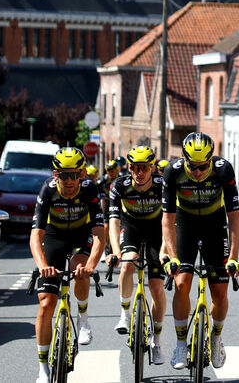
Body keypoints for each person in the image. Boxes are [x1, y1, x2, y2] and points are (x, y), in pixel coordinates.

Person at [160, 132, 239, 370]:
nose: (197, 172)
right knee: (182, 283)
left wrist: (234, 258)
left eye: (203, 166)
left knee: (220, 292)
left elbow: (234, 218)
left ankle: (216, 338)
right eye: (192, 166)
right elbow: (167, 219)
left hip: (215, 225)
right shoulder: (173, 171)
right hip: (185, 224)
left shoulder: (223, 170)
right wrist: (172, 255)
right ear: (184, 159)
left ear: (211, 159)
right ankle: (181, 343)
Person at [30, 147, 106, 383]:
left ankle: (83, 320)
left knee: (80, 271)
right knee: (46, 303)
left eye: (75, 174)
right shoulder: (47, 192)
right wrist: (43, 265)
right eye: (64, 175)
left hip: (80, 237)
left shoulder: (90, 190)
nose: (70, 180)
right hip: (54, 238)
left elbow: (99, 235)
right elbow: (36, 236)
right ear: (56, 175)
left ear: (82, 174)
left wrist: (91, 265)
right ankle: (43, 368)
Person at [107, 145, 167, 365]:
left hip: (156, 229)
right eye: (134, 168)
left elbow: (171, 221)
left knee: (157, 287)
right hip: (130, 226)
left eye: (144, 168)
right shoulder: (119, 185)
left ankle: (157, 341)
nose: (139, 173)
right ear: (129, 168)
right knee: (128, 263)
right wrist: (114, 251)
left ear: (152, 168)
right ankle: (124, 314)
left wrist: (167, 250)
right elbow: (113, 221)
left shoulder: (163, 185)